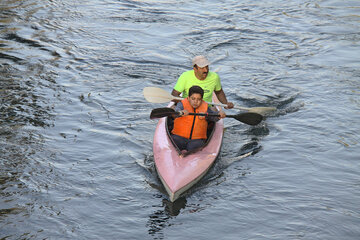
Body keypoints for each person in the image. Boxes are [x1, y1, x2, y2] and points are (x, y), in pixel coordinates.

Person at [171, 85, 226, 152]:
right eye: (193, 98)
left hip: (196, 140)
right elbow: (176, 111)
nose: (195, 102)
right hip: (179, 137)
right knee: (175, 141)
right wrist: (181, 112)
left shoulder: (205, 107)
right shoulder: (181, 104)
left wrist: (219, 114)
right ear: (188, 98)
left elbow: (213, 117)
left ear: (202, 99)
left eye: (198, 99)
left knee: (193, 147)